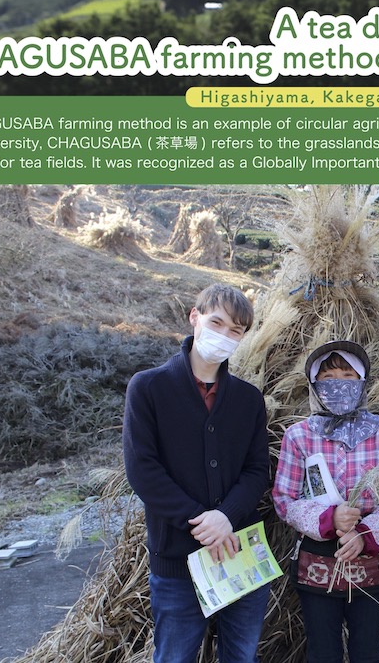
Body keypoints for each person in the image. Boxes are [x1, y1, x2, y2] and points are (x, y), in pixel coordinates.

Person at [122, 284, 270, 663]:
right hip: (178, 562)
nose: (223, 335)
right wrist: (199, 522)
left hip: (240, 556)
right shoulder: (149, 387)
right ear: (194, 317)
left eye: (235, 330)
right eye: (215, 322)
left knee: (241, 657)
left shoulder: (248, 399)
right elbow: (143, 470)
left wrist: (226, 517)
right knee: (175, 657)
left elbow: (257, 470)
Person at [272, 341, 379, 663]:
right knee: (322, 650)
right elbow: (285, 498)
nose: (339, 384)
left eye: (348, 375)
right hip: (318, 558)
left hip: (370, 557)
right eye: (329, 376)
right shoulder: (299, 436)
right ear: (315, 385)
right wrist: (330, 519)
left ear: (362, 382)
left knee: (368, 649)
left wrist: (364, 534)